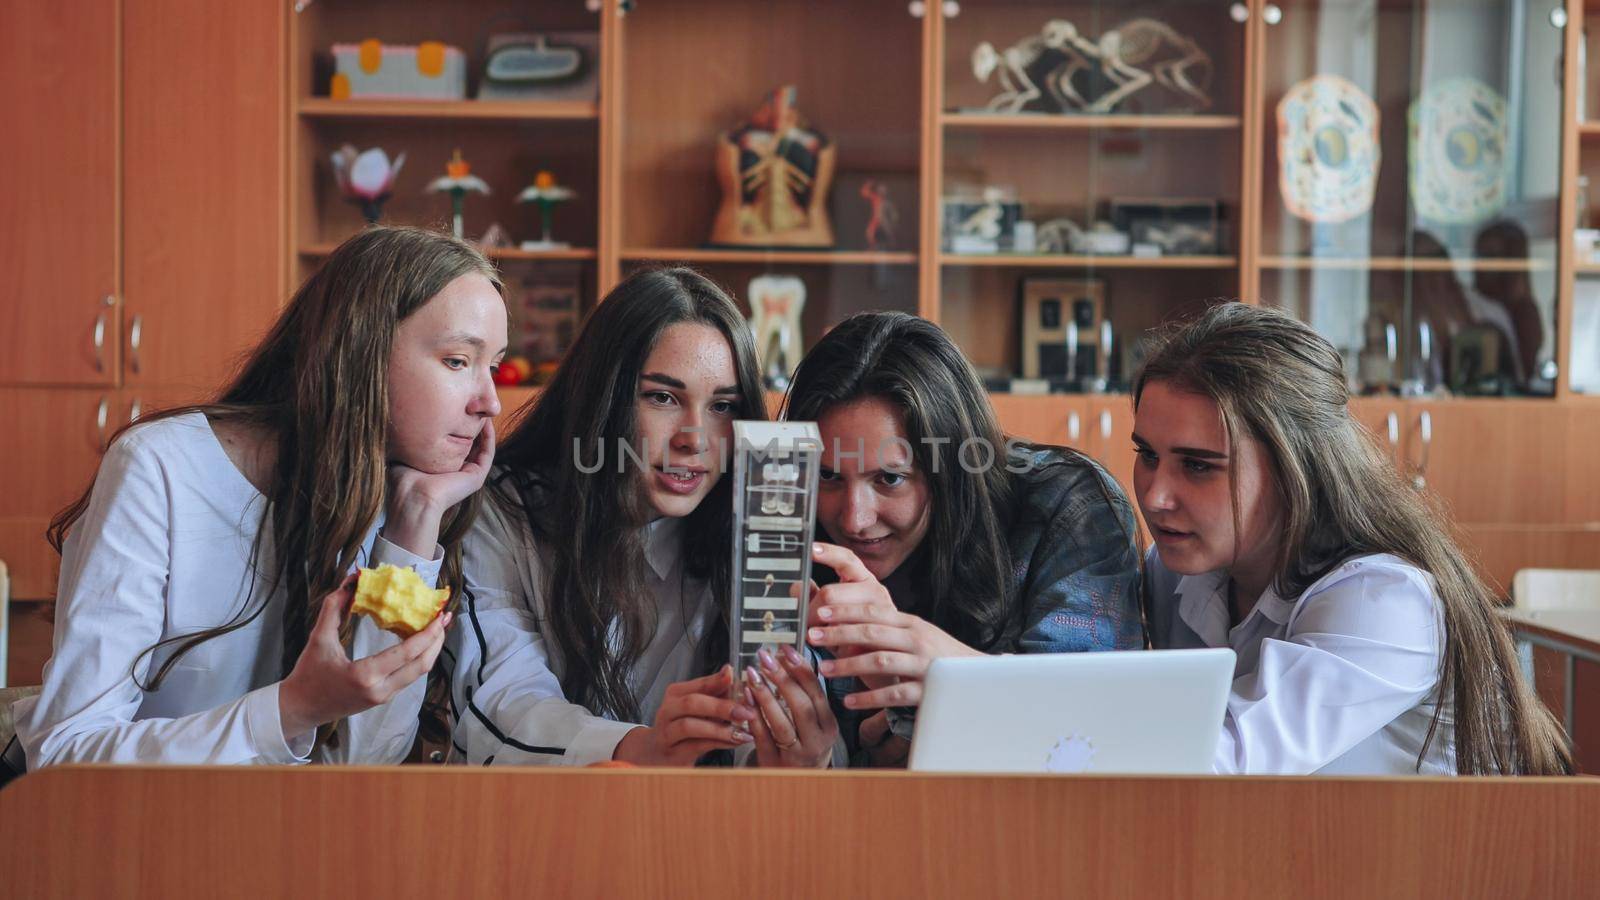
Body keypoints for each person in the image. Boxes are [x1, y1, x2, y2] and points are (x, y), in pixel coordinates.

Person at [6, 226, 506, 775]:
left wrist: (415, 522)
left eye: (494, 366)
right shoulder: (161, 466)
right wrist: (291, 709)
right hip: (137, 836)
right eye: (458, 361)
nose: (490, 402)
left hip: (277, 842)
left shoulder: (399, 493)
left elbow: (363, 765)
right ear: (358, 352)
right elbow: (64, 754)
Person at [1132, 301, 1571, 774]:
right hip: (1293, 840)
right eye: (1148, 455)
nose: (1156, 497)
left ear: (1295, 468)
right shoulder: (1179, 572)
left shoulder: (1382, 600)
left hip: (1428, 846)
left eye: (1198, 466)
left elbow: (1219, 764)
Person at [449, 268, 838, 768]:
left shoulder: (760, 525)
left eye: (723, 405)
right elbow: (500, 706)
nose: (694, 438)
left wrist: (791, 754)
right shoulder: (502, 509)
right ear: (602, 396)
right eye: (662, 397)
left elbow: (770, 738)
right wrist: (644, 748)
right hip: (530, 827)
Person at [788, 311, 1143, 767]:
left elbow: (1098, 729)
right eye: (827, 475)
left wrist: (958, 679)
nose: (854, 520)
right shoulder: (788, 527)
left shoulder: (1065, 507)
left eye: (890, 479)